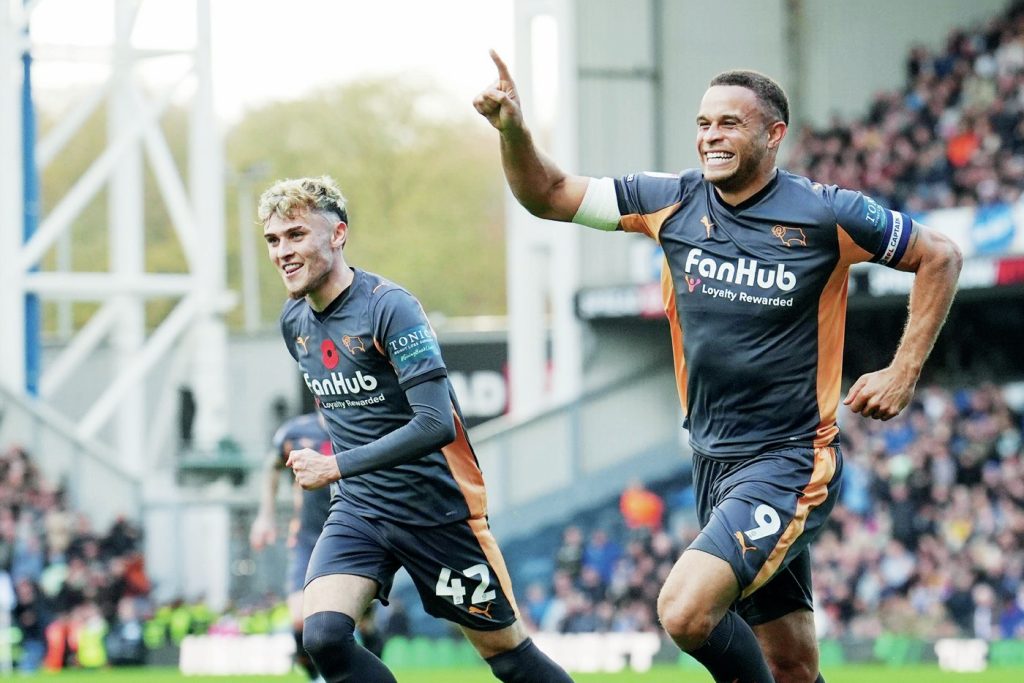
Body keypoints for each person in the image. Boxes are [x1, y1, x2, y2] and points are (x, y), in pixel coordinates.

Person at [475, 51, 962, 683]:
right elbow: (547, 194)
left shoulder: (826, 214)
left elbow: (941, 257)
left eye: (729, 123)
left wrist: (902, 372)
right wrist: (513, 130)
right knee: (792, 666)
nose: (710, 136)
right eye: (703, 123)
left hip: (789, 460)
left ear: (773, 135)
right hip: (713, 461)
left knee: (684, 612)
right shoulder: (671, 201)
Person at [258, 176, 575, 683]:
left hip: (437, 514)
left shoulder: (390, 307)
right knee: (321, 637)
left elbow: (434, 424)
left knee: (510, 658)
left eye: (296, 234)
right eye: (274, 240)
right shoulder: (293, 321)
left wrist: (334, 465)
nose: (283, 251)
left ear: (338, 234)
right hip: (359, 510)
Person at [250, 412, 334, 682]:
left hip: (356, 533)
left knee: (361, 621)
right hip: (308, 537)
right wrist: (266, 516)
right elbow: (273, 465)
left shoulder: (359, 422)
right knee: (299, 618)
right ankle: (316, 677)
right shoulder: (295, 431)